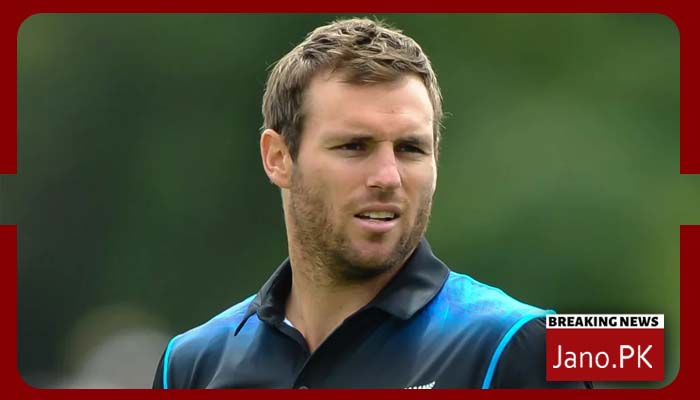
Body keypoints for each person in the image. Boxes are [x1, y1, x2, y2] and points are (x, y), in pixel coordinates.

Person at [152, 17, 592, 389]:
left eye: (410, 149)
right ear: (279, 158)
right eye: (354, 146)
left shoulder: (524, 344)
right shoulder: (191, 366)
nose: (388, 177)